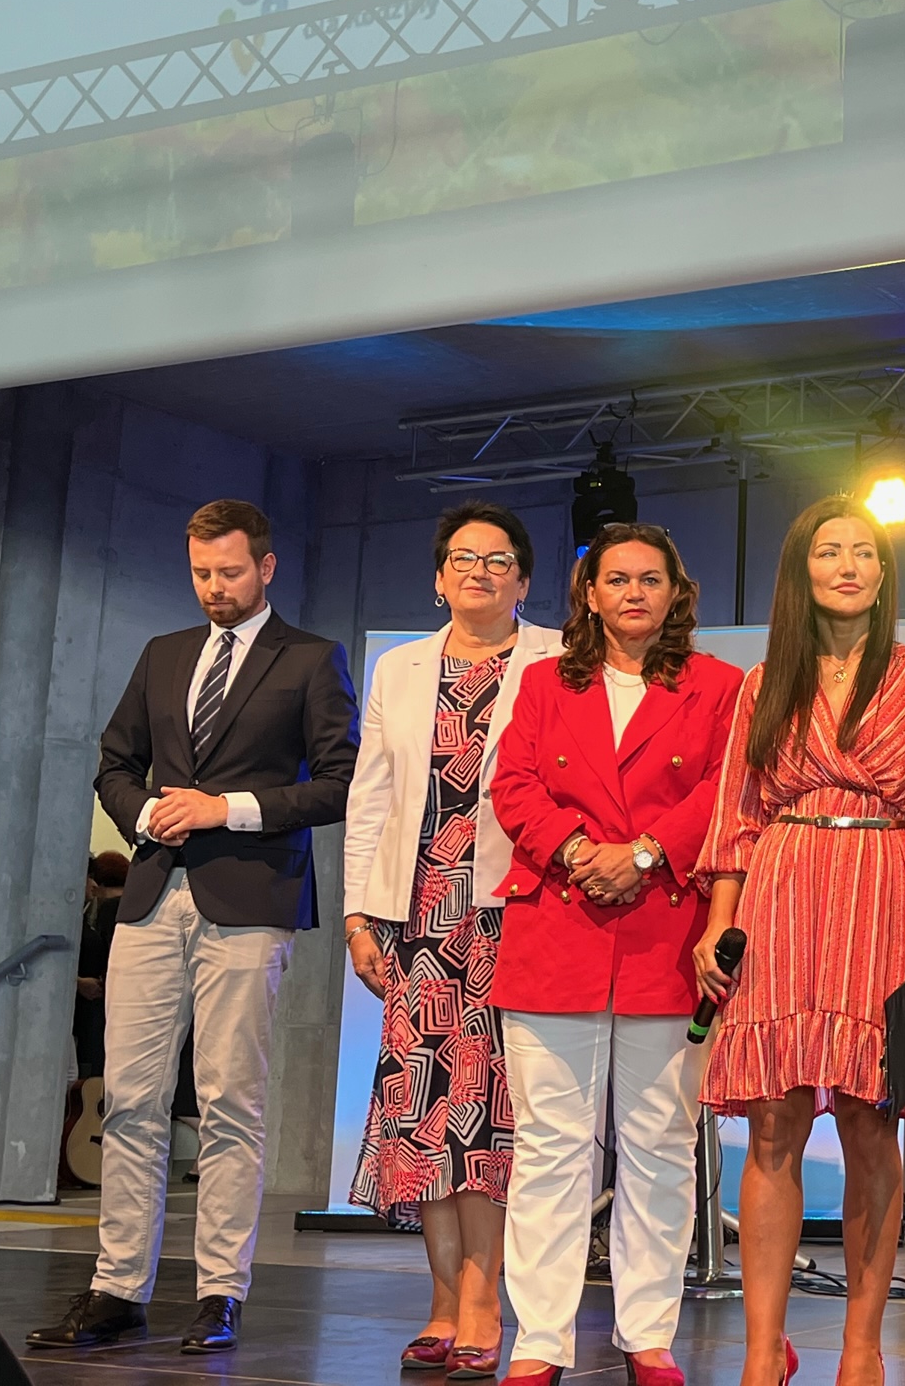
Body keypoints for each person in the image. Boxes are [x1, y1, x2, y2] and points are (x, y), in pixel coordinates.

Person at [31, 500, 359, 1355]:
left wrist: (226, 807)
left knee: (229, 1104)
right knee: (130, 1100)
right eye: (201, 573)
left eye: (230, 572)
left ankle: (220, 1294)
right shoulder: (163, 653)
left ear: (267, 567)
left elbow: (339, 781)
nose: (214, 587)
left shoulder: (312, 658)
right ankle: (117, 1289)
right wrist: (146, 814)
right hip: (150, 896)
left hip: (250, 899)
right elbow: (115, 762)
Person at [692, 496, 905, 1386]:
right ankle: (760, 1351)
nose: (847, 566)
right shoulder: (765, 680)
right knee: (773, 1120)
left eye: (864, 552)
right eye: (828, 551)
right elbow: (737, 812)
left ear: (883, 574)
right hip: (780, 888)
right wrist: (720, 919)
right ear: (801, 571)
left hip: (881, 889)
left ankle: (860, 1346)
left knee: (867, 1118)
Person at [487, 523, 743, 1386]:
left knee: (661, 1144)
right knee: (550, 1148)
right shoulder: (541, 682)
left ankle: (648, 1337)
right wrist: (574, 851)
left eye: (651, 579)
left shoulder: (720, 686)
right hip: (556, 930)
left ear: (677, 594)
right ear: (589, 595)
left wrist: (642, 853)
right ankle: (539, 1342)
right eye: (618, 579)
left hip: (667, 935)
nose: (634, 592)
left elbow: (724, 790)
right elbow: (514, 784)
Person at [342, 503, 562, 1378]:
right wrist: (358, 915)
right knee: (425, 1113)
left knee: (492, 1114)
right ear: (439, 578)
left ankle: (485, 1302)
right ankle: (440, 1301)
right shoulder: (398, 667)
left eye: (498, 559)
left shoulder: (557, 660)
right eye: (463, 559)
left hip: (512, 913)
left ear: (524, 580)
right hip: (417, 914)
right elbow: (371, 795)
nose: (479, 571)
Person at [72, 852, 130, 1079]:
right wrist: (78, 983)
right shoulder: (79, 918)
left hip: (92, 1009)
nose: (93, 885)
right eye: (89, 877)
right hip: (83, 1011)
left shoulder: (95, 914)